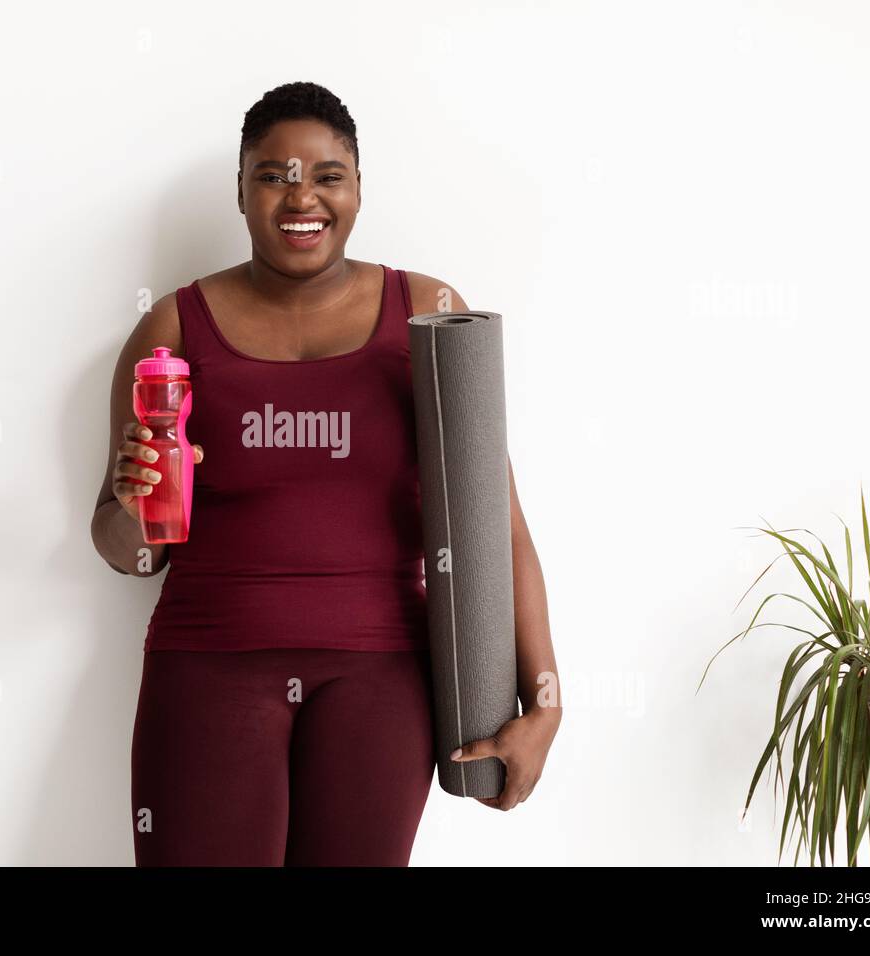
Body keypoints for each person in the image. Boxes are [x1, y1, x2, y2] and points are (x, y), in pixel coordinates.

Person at [91, 81, 561, 866]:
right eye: (272, 174)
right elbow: (124, 552)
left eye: (326, 175)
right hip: (209, 670)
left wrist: (543, 699)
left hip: (381, 678)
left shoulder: (431, 313)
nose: (299, 195)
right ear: (240, 192)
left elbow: (495, 526)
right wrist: (137, 508)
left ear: (357, 189)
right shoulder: (174, 326)